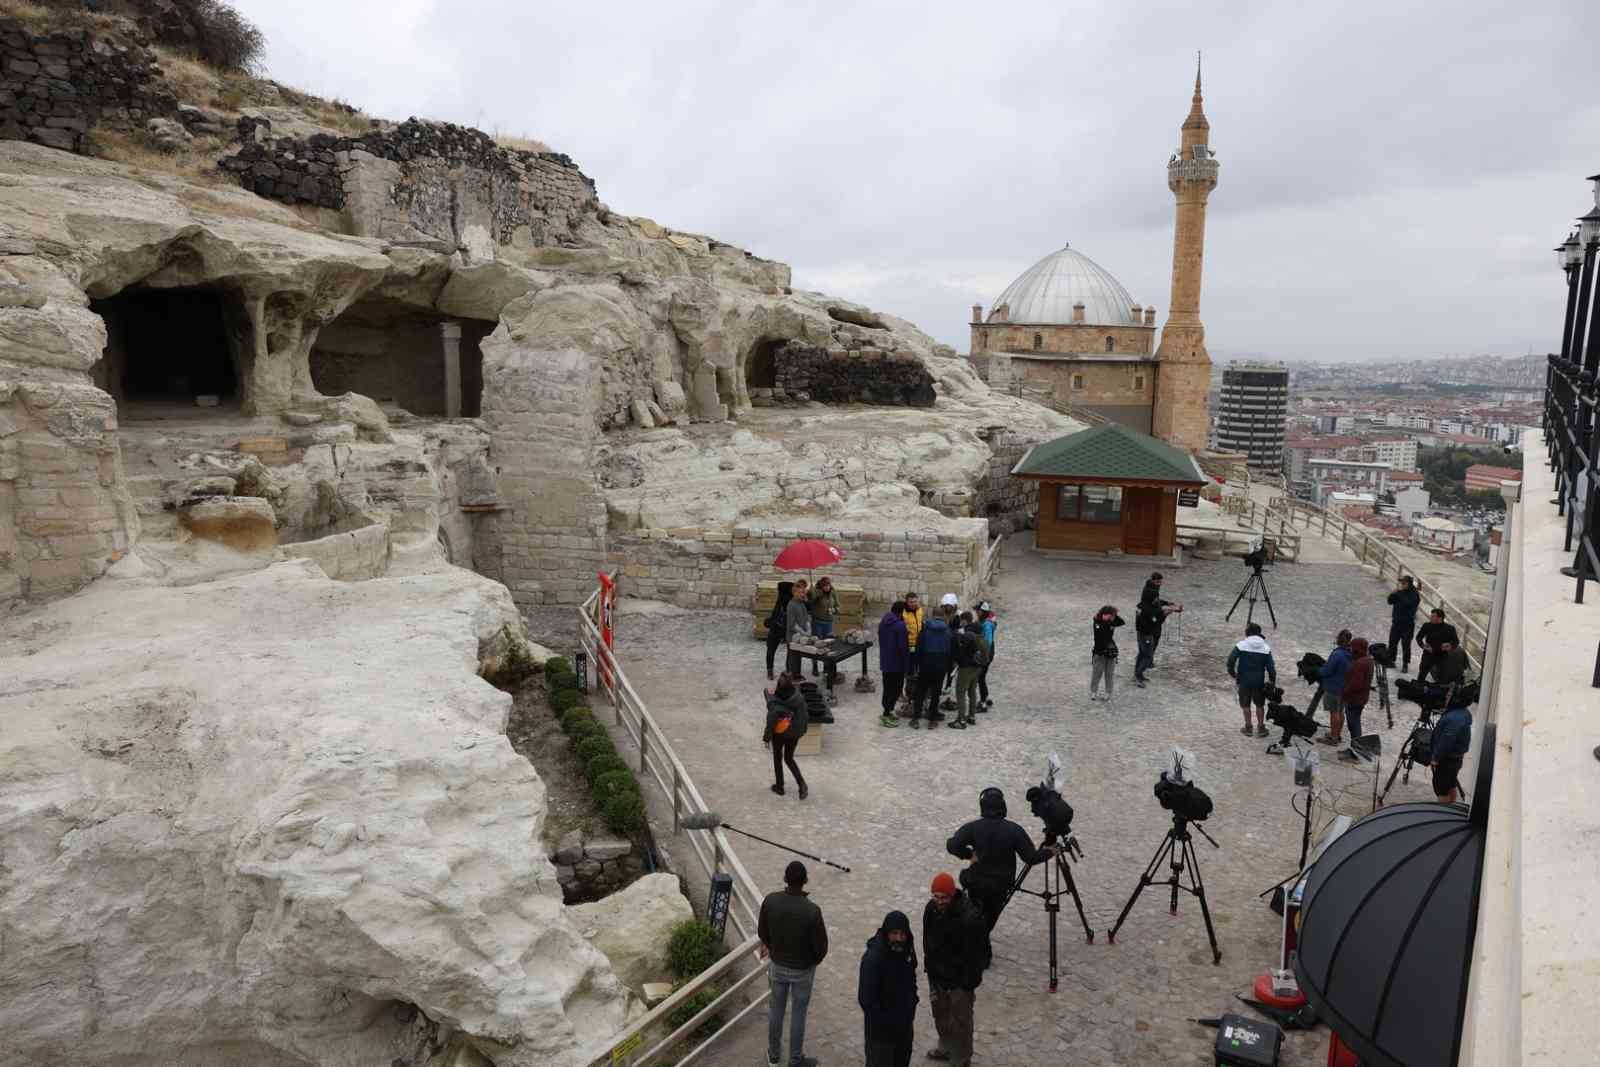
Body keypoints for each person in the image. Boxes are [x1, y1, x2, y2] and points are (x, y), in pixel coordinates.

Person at [944, 787, 1053, 931]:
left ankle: (976, 936)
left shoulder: (973, 828)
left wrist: (969, 854)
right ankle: (981, 938)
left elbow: (952, 845)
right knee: (987, 920)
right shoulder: (1014, 830)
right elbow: (1031, 857)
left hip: (976, 884)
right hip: (1000, 887)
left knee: (975, 917)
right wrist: (1050, 852)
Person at [758, 861, 829, 1067]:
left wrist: (774, 948)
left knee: (776, 1011)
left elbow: (763, 932)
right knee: (799, 1014)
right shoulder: (812, 911)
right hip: (802, 970)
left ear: (785, 879)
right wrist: (812, 962)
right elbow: (821, 947)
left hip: (778, 966)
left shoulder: (771, 901)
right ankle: (795, 1059)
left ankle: (774, 1055)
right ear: (805, 881)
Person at [922, 871, 989, 1067]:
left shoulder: (969, 918)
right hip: (937, 976)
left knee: (961, 1021)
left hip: (960, 981)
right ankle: (945, 1047)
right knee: (940, 1015)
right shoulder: (930, 909)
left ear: (952, 895)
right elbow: (927, 938)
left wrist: (967, 983)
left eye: (944, 897)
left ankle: (961, 1058)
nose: (939, 901)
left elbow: (979, 954)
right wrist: (930, 967)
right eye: (936, 896)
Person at [857, 910, 919, 1067]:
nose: (899, 938)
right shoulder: (873, 959)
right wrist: (886, 1022)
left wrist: (911, 1005)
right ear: (887, 933)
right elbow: (866, 999)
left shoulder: (907, 952)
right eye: (894, 933)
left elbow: (911, 981)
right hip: (881, 1035)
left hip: (903, 1030)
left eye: (902, 934)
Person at [1226, 622, 1277, 737]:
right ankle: (1261, 728)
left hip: (1244, 680)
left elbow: (1230, 661)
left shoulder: (1241, 645)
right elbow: (1271, 668)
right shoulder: (1265, 647)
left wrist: (1233, 674)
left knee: (1245, 705)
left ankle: (1248, 727)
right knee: (1259, 705)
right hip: (1259, 682)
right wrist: (1272, 681)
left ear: (1247, 633)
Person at [762, 674, 808, 799]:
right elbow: (805, 716)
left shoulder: (775, 704)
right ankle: (802, 784)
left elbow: (771, 721)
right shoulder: (799, 697)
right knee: (789, 758)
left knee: (778, 756)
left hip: (781, 733)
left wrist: (766, 738)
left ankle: (780, 786)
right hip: (796, 731)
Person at [1133, 574, 1182, 688]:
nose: (1157, 600)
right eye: (1156, 599)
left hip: (1143, 632)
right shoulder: (1149, 609)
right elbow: (1156, 621)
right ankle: (1138, 675)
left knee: (1142, 654)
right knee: (1148, 656)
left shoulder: (1146, 603)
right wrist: (1167, 613)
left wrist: (1166, 605)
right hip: (1147, 633)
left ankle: (1138, 674)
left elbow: (1157, 609)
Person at [911, 605, 953, 728]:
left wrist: (916, 664)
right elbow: (950, 651)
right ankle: (932, 719)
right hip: (940, 666)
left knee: (921, 691)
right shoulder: (948, 631)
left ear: (932, 614)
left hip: (925, 665)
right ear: (943, 616)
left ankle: (915, 718)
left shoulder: (925, 629)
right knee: (936, 693)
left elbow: (919, 647)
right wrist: (948, 668)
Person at [950, 611, 990, 729]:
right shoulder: (980, 633)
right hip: (978, 667)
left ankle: (961, 720)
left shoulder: (967, 635)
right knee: (972, 691)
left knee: (960, 692)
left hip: (966, 667)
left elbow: (961, 652)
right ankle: (971, 716)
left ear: (964, 620)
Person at [1338, 637, 1375, 762]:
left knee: (1354, 725)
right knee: (1355, 723)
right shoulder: (1368, 660)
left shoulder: (1360, 663)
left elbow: (1356, 684)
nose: (1351, 650)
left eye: (1353, 648)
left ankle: (1356, 753)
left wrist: (1344, 692)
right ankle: (1356, 749)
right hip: (1361, 698)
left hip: (1354, 699)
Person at [1430, 699, 1473, 804]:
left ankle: (1444, 811)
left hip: (1448, 758)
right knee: (1450, 782)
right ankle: (1452, 805)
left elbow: (1447, 739)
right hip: (1455, 757)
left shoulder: (1454, 718)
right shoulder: (1463, 712)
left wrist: (1435, 757)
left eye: (1449, 695)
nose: (1446, 697)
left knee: (1441, 787)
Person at [1317, 630, 1354, 746]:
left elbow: (1327, 670)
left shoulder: (1337, 654)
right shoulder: (1351, 653)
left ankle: (1333, 738)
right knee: (1340, 711)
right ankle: (1337, 734)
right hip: (1344, 687)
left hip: (1333, 687)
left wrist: (1319, 671)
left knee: (1334, 712)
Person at [878, 601, 910, 729]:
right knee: (896, 688)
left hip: (886, 661)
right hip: (897, 663)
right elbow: (903, 648)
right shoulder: (900, 626)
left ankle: (887, 711)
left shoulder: (883, 622)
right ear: (901, 611)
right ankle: (886, 715)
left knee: (887, 687)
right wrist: (907, 665)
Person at [1386, 576, 1421, 674]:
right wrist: (1392, 594)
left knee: (1406, 645)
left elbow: (1408, 603)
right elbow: (1390, 601)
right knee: (1392, 642)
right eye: (1401, 583)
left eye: (1404, 583)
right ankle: (1391, 660)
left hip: (1407, 625)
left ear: (1409, 584)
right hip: (1396, 623)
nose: (1402, 585)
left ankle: (1405, 664)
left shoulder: (1414, 594)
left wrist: (1399, 593)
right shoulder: (1399, 592)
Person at [806, 577, 839, 679]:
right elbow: (811, 600)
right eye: (825, 585)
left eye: (828, 585)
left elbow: (838, 606)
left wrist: (834, 610)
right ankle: (815, 665)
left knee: (828, 644)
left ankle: (826, 666)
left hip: (828, 623)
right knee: (816, 644)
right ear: (821, 585)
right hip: (817, 622)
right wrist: (810, 592)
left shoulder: (833, 592)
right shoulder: (817, 592)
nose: (827, 587)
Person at [1090, 605, 1124, 702]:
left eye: (1112, 616)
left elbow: (1122, 622)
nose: (1111, 618)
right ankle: (1093, 692)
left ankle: (1108, 693)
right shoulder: (1097, 622)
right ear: (1104, 614)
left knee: (1109, 674)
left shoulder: (1112, 621)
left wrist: (1115, 615)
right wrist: (1104, 617)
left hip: (1110, 651)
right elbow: (1099, 627)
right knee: (1097, 673)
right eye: (1110, 615)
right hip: (1099, 652)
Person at [1415, 608, 1458, 683]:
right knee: (1421, 675)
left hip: (1442, 655)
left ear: (1440, 618)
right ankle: (1418, 689)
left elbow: (1456, 642)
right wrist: (1423, 646)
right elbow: (1419, 637)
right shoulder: (1427, 625)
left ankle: (1438, 692)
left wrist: (1449, 646)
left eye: (1433, 616)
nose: (1430, 618)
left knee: (1442, 677)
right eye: (1431, 616)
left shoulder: (1450, 628)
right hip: (1428, 653)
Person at [899, 592, 926, 714]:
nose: (914, 604)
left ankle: (914, 693)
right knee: (906, 671)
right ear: (907, 602)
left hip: (918, 646)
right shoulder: (903, 614)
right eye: (911, 602)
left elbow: (921, 625)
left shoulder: (920, 610)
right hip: (907, 646)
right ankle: (902, 693)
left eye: (915, 601)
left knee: (916, 671)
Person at [765, 580, 794, 680]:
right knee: (789, 651)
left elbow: (774, 614)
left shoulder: (783, 599)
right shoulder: (790, 599)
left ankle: (770, 671)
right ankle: (788, 670)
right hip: (782, 629)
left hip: (778, 629)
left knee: (771, 650)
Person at [784, 578, 812, 678]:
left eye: (804, 592)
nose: (803, 594)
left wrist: (808, 629)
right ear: (794, 593)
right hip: (793, 636)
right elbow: (792, 624)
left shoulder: (802, 603)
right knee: (792, 657)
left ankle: (797, 674)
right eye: (800, 592)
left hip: (801, 635)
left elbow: (806, 618)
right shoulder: (791, 605)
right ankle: (790, 676)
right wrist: (804, 633)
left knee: (798, 656)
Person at [973, 601, 997, 711]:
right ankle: (986, 697)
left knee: (980, 677)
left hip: (986, 654)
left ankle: (982, 703)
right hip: (987, 653)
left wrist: (980, 654)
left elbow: (987, 642)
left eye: (978, 610)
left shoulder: (986, 625)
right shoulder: (985, 622)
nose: (976, 612)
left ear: (982, 612)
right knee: (982, 676)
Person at [938, 593, 960, 710]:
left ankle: (948, 689)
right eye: (945, 605)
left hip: (951, 649)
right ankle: (941, 689)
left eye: (949, 606)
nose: (947, 607)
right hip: (942, 649)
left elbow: (956, 635)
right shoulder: (942, 616)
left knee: (950, 672)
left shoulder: (957, 617)